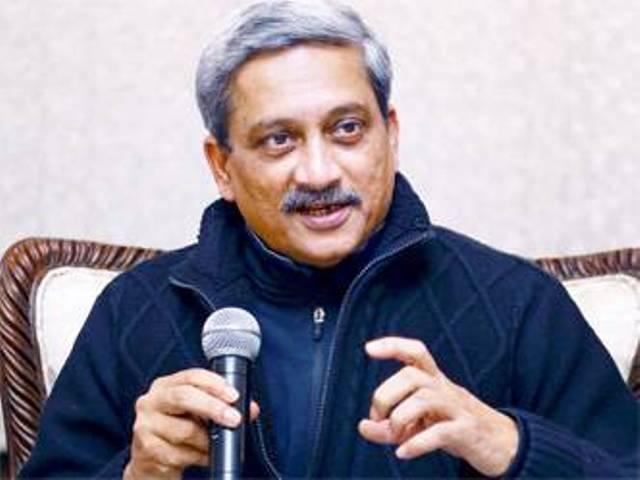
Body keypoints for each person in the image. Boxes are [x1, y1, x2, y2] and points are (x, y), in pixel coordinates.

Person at [20, 1, 639, 478]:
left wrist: (510, 445)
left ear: (390, 136)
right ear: (222, 167)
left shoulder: (515, 305)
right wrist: (137, 473)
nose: (318, 173)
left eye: (346, 129)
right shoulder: (134, 312)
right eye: (279, 140)